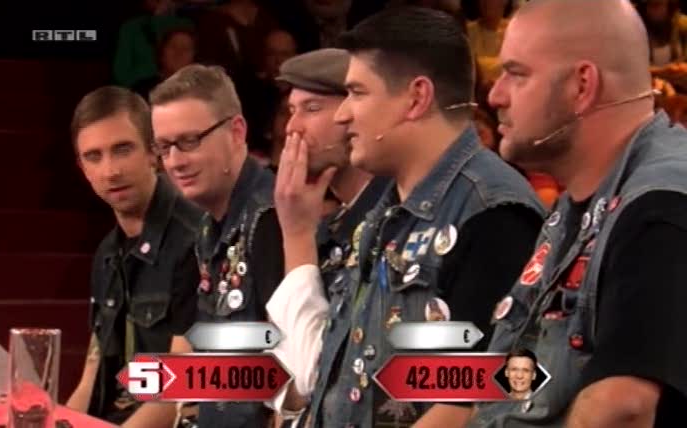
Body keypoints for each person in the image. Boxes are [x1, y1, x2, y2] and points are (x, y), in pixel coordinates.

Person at [272, 7, 545, 427]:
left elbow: (469, 405)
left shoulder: (494, 214)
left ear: (416, 98)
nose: (343, 114)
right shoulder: (386, 212)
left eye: (357, 93)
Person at [466, 0, 687, 426]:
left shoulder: (661, 204)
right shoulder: (580, 204)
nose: (495, 95)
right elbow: (519, 378)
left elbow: (622, 409)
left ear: (582, 85)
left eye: (516, 74)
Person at [149, 64, 284, 428]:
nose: (175, 161)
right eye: (164, 147)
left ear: (236, 132)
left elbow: (293, 379)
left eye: (190, 141)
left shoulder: (271, 218)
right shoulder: (209, 226)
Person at [264, 48, 390, 423]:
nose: (292, 127)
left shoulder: (387, 219)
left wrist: (296, 235)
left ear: (355, 111)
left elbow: (312, 378)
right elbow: (283, 386)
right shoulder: (330, 225)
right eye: (291, 110)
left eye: (312, 108)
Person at [65, 86, 202, 428]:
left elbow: (179, 388)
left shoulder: (195, 239)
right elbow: (92, 376)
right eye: (93, 156)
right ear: (82, 168)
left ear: (154, 150)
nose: (110, 171)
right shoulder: (107, 254)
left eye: (122, 149)